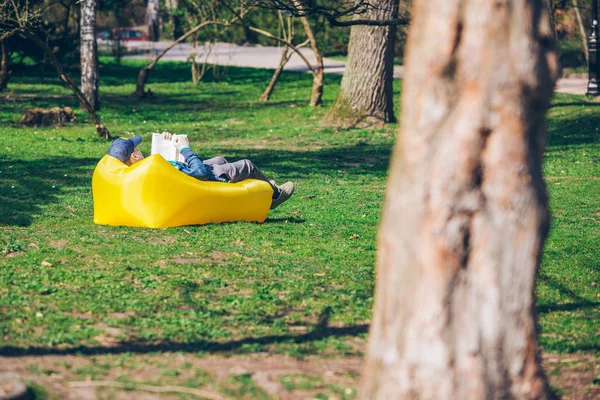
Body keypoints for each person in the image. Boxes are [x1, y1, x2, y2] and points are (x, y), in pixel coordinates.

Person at [107, 134, 295, 209]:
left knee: (220, 159)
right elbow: (199, 173)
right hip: (204, 180)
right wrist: (185, 149)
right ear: (134, 156)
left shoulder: (139, 171)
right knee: (247, 165)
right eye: (137, 148)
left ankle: (259, 191)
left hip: (187, 175)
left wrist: (168, 143)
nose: (140, 148)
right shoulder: (150, 167)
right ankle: (274, 195)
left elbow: (173, 169)